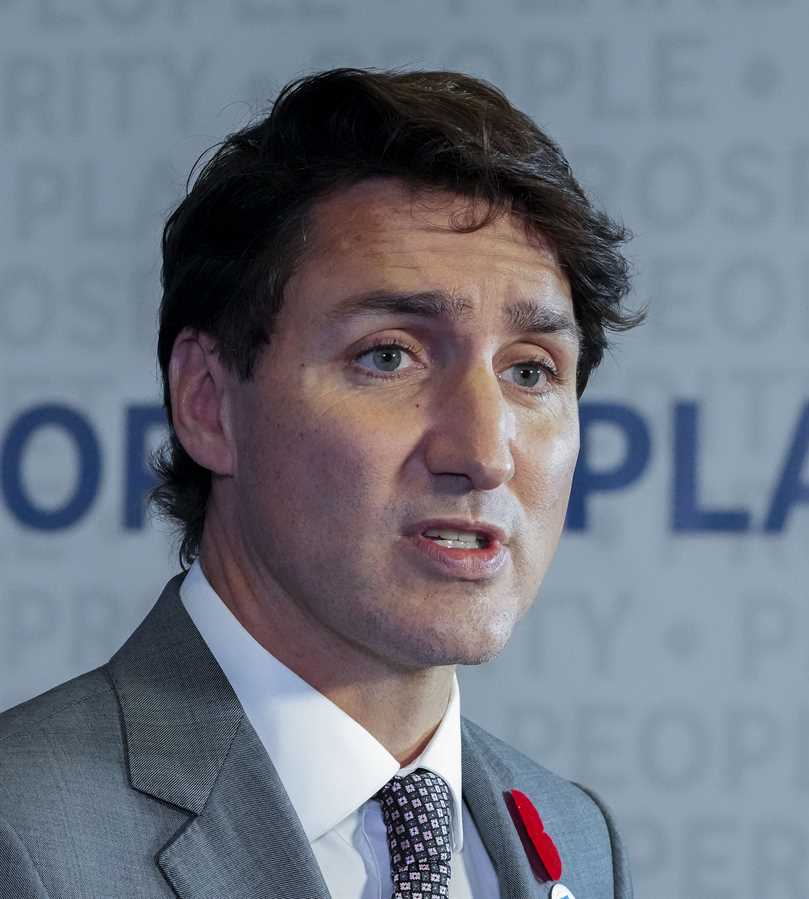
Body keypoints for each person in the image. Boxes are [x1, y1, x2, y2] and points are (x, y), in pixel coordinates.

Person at [0, 68, 643, 899]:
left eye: (530, 370)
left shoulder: (574, 836)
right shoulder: (25, 836)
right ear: (207, 401)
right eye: (389, 355)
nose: (486, 450)